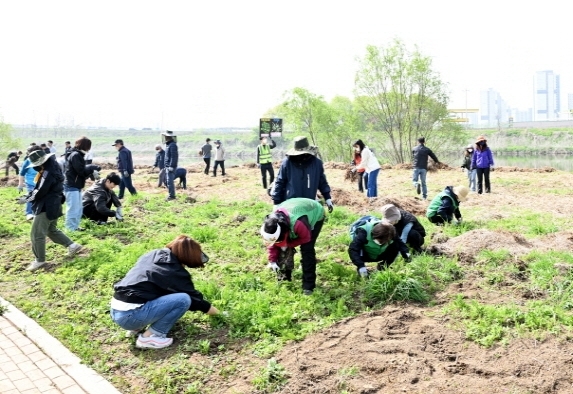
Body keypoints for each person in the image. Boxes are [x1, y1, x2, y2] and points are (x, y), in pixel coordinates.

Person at [110, 235, 221, 349]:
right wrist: (220, 314)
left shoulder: (153, 254)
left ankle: (137, 326)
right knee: (183, 299)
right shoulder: (175, 272)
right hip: (130, 316)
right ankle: (149, 337)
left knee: (154, 290)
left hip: (116, 310)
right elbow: (196, 300)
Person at [16, 150, 83, 271]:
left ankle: (39, 260)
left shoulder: (47, 173)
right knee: (51, 230)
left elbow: (41, 190)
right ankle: (72, 245)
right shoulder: (54, 169)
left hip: (46, 206)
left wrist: (26, 198)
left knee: (36, 234)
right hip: (55, 204)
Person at [260, 198, 325, 295]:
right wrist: (272, 260)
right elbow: (273, 244)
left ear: (284, 231)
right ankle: (285, 279)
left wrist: (289, 244)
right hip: (291, 208)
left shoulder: (299, 224)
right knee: (283, 248)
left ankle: (308, 286)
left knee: (307, 249)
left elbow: (305, 238)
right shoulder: (271, 223)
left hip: (314, 211)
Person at [271, 136, 333, 213]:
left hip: (309, 203)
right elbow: (280, 182)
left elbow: (322, 182)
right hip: (291, 205)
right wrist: (276, 202)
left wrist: (327, 198)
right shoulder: (287, 163)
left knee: (309, 223)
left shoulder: (316, 163)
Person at [64, 137, 101, 231]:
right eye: (88, 146)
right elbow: (80, 170)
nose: (88, 149)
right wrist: (91, 168)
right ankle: (70, 228)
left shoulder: (78, 155)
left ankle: (75, 227)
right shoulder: (76, 155)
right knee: (73, 208)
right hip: (71, 185)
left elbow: (81, 170)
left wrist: (90, 170)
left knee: (78, 208)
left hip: (76, 185)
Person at [18, 145, 42, 220]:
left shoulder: (42, 160)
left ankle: (37, 212)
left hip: (41, 182)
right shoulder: (28, 161)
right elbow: (22, 173)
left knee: (39, 197)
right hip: (30, 182)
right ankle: (29, 213)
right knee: (31, 197)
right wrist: (20, 184)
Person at [162, 131, 178, 201]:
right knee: (166, 181)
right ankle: (171, 194)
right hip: (167, 166)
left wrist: (171, 165)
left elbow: (174, 156)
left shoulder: (172, 145)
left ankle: (172, 196)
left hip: (170, 167)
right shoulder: (168, 145)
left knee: (169, 181)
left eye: (166, 136)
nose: (165, 137)